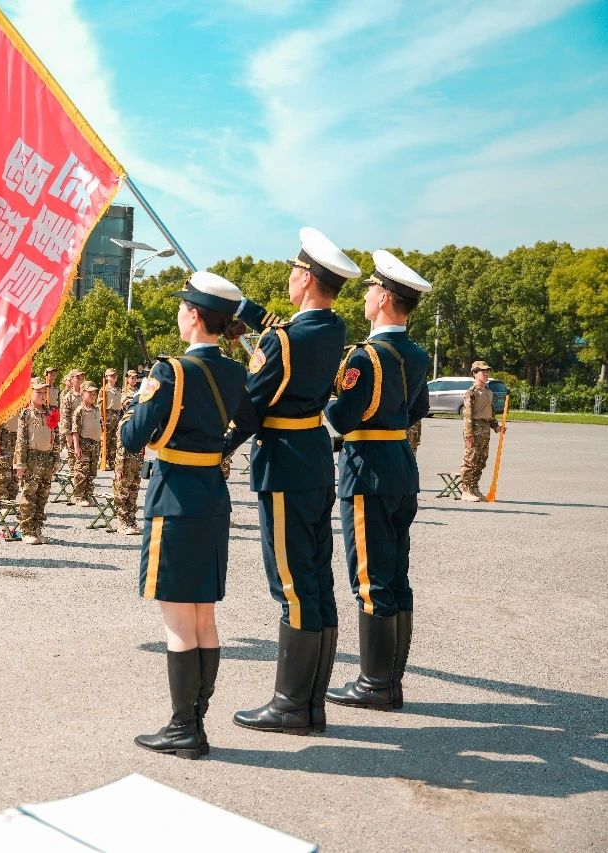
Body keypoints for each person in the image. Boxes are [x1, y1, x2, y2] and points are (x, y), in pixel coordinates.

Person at [227, 226, 361, 736]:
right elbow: (284, 336)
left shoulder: (282, 342)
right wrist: (250, 318)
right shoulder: (331, 328)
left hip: (282, 462)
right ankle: (310, 702)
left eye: (292, 270)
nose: (288, 276)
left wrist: (216, 445)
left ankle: (291, 705)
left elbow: (249, 405)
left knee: (291, 585)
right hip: (311, 459)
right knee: (315, 580)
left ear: (305, 278)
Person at [122, 272, 257, 759]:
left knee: (179, 621)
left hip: (174, 497)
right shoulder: (232, 371)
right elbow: (251, 419)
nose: (179, 314)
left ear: (196, 316)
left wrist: (137, 398)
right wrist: (219, 447)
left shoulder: (171, 371)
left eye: (183, 307)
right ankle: (195, 723)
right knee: (203, 616)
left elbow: (132, 437)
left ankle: (184, 728)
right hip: (212, 497)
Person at [324, 251, 432, 715]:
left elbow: (342, 415)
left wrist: (328, 404)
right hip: (401, 468)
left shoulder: (365, 356)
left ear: (385, 298)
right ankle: (391, 680)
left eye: (371, 288)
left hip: (367, 470)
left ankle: (374, 683)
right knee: (396, 578)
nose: (366, 295)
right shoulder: (417, 354)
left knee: (370, 580)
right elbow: (417, 410)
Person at [14, 378, 58, 545]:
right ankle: (26, 530)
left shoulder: (51, 413)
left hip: (46, 459)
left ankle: (37, 528)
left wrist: (55, 459)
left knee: (42, 495)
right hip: (31, 459)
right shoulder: (26, 414)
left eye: (44, 392)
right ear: (31, 393)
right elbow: (21, 440)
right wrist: (20, 463)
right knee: (29, 495)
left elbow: (55, 438)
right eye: (38, 392)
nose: (42, 395)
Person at [459, 361, 504, 502]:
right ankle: (466, 490)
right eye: (482, 371)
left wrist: (496, 426)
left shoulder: (488, 392)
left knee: (481, 461)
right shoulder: (471, 393)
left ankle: (474, 488)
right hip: (475, 429)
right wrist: (468, 434)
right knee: (470, 460)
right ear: (474, 373)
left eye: (487, 371)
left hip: (485, 430)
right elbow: (467, 415)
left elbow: (490, 413)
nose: (486, 374)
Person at [112, 399, 145, 536]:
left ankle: (131, 521)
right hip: (125, 464)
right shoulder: (125, 422)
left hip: (136, 463)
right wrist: (119, 468)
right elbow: (120, 447)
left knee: (133, 493)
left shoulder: (136, 422)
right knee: (122, 494)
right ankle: (122, 523)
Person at [70, 381, 102, 506]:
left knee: (92, 471)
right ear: (83, 393)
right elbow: (75, 430)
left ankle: (88, 495)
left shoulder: (97, 409)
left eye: (94, 393)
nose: (93, 395)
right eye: (90, 393)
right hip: (84, 443)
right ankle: (79, 497)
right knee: (81, 472)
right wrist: (76, 447)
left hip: (95, 444)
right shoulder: (80, 410)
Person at [0, 404, 22, 506]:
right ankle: (1, 500)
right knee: (2, 470)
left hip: (19, 437)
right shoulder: (5, 398)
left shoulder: (25, 396)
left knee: (15, 470)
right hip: (5, 436)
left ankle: (11, 498)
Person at [98, 368, 122, 471]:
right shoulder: (104, 389)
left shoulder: (118, 390)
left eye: (114, 375)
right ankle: (103, 460)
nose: (113, 377)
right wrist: (101, 418)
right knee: (105, 440)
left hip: (116, 415)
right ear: (106, 377)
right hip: (107, 414)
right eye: (111, 375)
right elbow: (100, 405)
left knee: (114, 440)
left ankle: (112, 461)